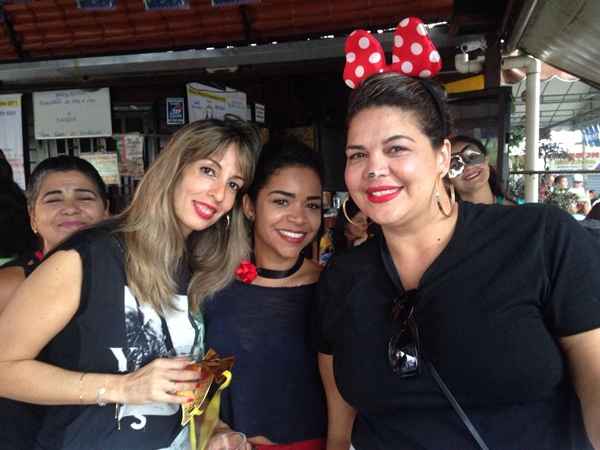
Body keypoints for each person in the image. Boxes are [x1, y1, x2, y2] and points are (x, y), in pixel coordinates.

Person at [314, 72, 600, 450]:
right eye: (357, 155)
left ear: (442, 156)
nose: (374, 169)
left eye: (396, 148)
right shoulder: (343, 277)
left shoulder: (539, 237)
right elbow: (340, 431)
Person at [0, 117, 260, 450]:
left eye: (234, 184)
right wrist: (122, 388)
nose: (219, 193)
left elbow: (191, 374)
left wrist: (216, 429)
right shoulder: (88, 256)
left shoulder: (199, 269)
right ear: (174, 168)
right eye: (208, 171)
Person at [204, 137, 327, 450]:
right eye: (281, 201)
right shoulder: (214, 288)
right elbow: (202, 376)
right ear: (249, 206)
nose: (299, 218)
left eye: (312, 205)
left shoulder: (333, 288)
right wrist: (214, 428)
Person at [0, 156, 110, 314]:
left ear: (106, 211)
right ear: (33, 217)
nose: (70, 209)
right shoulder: (8, 287)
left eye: (85, 198)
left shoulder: (134, 274)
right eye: (53, 200)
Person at [449, 135, 521, 205]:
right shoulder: (446, 216)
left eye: (472, 156)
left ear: (486, 159)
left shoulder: (516, 213)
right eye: (454, 165)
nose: (468, 167)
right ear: (446, 179)